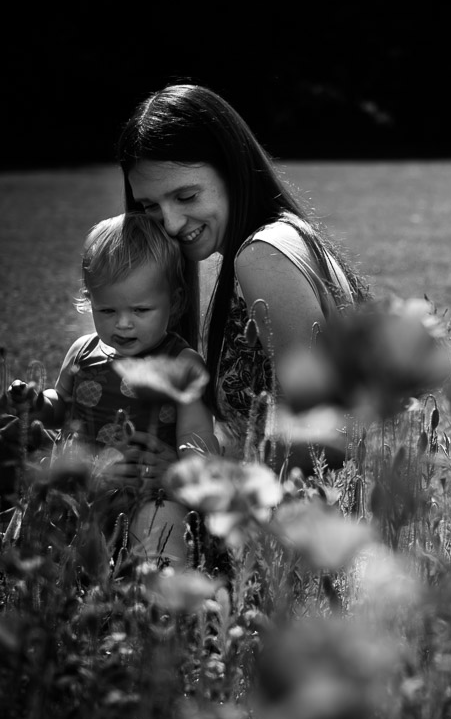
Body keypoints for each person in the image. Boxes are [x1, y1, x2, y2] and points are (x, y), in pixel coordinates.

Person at [116, 83, 369, 462]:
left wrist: (196, 474)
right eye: (149, 205)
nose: (168, 223)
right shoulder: (282, 236)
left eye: (186, 197)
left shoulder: (262, 256)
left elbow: (327, 436)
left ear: (232, 170)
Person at [5, 213, 217, 567]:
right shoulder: (83, 353)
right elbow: (63, 406)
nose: (123, 323)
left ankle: (161, 590)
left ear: (175, 302)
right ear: (90, 301)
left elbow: (197, 436)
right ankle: (53, 580)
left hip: (148, 490)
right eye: (107, 309)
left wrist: (181, 475)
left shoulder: (182, 364)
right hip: (81, 490)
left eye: (140, 310)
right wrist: (38, 404)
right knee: (42, 531)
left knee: (159, 526)